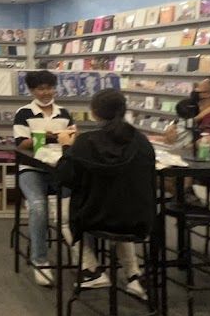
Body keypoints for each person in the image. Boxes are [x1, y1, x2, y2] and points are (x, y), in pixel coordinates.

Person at [55, 89, 155, 299]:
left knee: (62, 217)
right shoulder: (141, 141)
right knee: (119, 210)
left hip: (95, 217)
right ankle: (134, 275)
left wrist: (66, 146)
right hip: (138, 218)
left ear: (94, 112)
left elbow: (65, 177)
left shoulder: (86, 142)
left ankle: (91, 270)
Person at [12, 70, 77, 286]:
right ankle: (40, 260)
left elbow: (72, 140)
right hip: (31, 169)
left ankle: (83, 259)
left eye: (49, 87)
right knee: (38, 206)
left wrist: (64, 138)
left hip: (59, 169)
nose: (46, 92)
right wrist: (50, 136)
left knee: (72, 208)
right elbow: (21, 143)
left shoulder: (64, 112)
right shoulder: (23, 113)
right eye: (41, 88)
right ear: (31, 90)